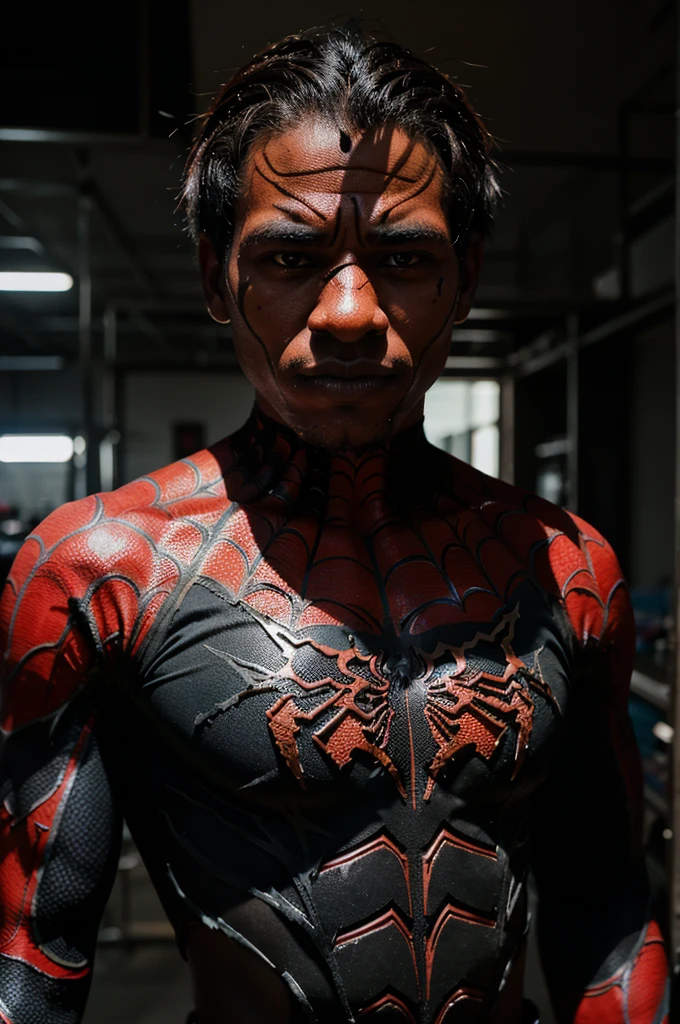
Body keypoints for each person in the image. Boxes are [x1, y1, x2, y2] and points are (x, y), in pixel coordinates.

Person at [0, 24, 669, 1024]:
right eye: (289, 257)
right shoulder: (100, 574)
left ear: (466, 277)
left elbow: (609, 915)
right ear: (213, 277)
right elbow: (31, 964)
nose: (350, 310)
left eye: (402, 257)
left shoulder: (567, 570)